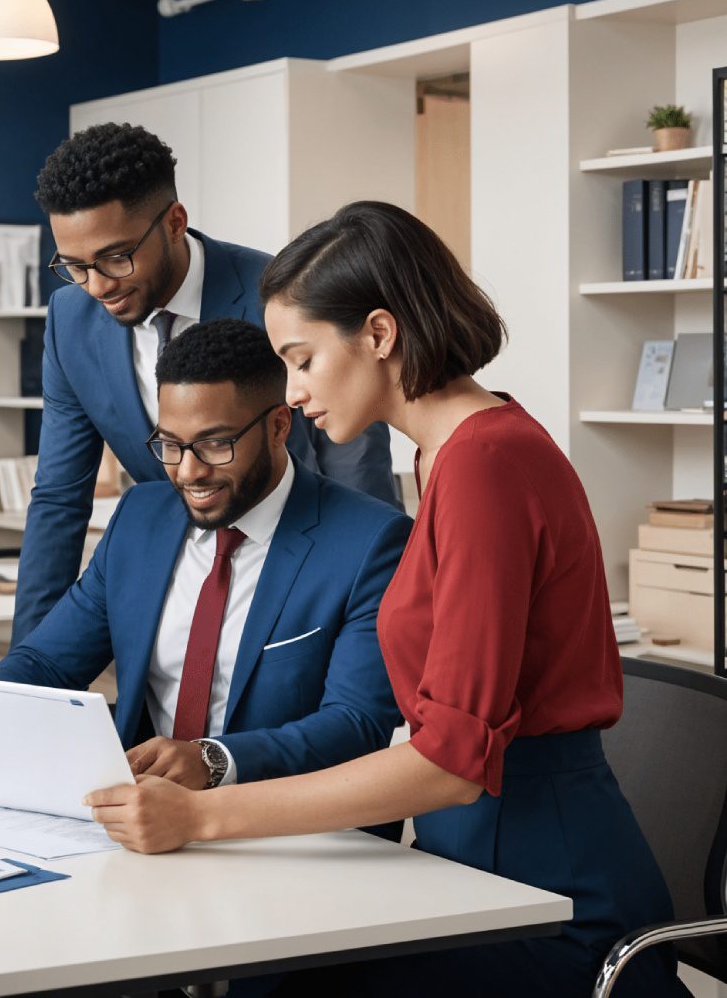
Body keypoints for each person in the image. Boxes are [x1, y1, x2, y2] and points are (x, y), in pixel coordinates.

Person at [84, 202, 684, 998]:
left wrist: (202, 816)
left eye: (301, 360)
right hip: (473, 864)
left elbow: (451, 761)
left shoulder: (483, 465)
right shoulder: (453, 452)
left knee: (283, 974)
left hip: (549, 901)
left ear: (377, 333)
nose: (291, 395)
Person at [0, 318, 410, 801]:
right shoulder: (140, 519)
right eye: (170, 445)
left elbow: (356, 722)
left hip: (292, 831)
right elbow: (49, 664)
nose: (188, 472)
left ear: (278, 427)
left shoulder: (370, 541)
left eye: (215, 444)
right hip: (142, 818)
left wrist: (213, 759)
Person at [14, 122, 400, 643]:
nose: (98, 286)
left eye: (116, 256)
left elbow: (354, 460)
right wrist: (25, 679)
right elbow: (60, 497)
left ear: (175, 222)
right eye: (76, 266)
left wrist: (375, 618)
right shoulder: (70, 318)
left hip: (302, 572)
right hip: (171, 591)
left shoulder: (282, 296)